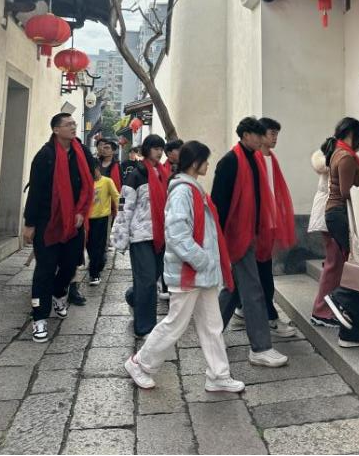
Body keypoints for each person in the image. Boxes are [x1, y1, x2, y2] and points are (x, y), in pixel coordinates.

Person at [125, 141, 245, 394]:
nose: (208, 164)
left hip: (201, 273)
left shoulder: (192, 189)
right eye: (205, 160)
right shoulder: (183, 192)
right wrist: (204, 261)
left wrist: (207, 264)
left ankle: (218, 375)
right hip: (189, 272)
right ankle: (140, 364)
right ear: (195, 162)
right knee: (175, 324)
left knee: (212, 325)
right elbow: (178, 235)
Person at [213, 117, 288, 368]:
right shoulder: (230, 161)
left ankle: (211, 333)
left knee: (234, 289)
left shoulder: (252, 159)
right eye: (258, 135)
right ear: (246, 135)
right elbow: (219, 203)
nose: (262, 139)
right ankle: (260, 348)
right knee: (253, 291)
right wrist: (220, 239)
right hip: (236, 235)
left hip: (250, 233)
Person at [23, 113, 94, 343]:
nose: (73, 127)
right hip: (48, 221)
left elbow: (88, 186)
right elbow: (35, 191)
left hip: (75, 221)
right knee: (45, 269)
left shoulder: (82, 153)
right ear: (56, 130)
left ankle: (59, 292)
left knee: (70, 264)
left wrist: (81, 212)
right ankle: (39, 317)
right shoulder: (45, 156)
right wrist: (30, 223)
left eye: (74, 123)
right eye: (68, 124)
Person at [232, 118, 296, 338]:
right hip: (256, 224)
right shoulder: (254, 158)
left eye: (277, 134)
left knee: (258, 272)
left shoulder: (271, 158)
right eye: (271, 133)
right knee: (260, 274)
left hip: (268, 223)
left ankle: (242, 310)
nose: (274, 138)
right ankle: (269, 317)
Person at [324, 118, 359, 348]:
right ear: (353, 135)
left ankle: (353, 334)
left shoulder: (338, 152)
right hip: (342, 215)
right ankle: (340, 298)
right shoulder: (345, 157)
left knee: (358, 268)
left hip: (338, 214)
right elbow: (347, 192)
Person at [111, 134, 168, 337]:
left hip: (161, 235)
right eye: (155, 148)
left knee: (150, 278)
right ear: (146, 150)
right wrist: (120, 236)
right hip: (141, 235)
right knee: (147, 281)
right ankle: (145, 327)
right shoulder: (136, 175)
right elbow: (124, 206)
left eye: (161, 148)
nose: (159, 152)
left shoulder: (164, 174)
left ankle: (132, 297)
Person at [309, 139, 345, 328]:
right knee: (333, 263)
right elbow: (320, 164)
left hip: (333, 213)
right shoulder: (323, 157)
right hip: (328, 213)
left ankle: (329, 307)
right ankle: (321, 311)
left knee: (336, 263)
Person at [87, 161, 120, 285]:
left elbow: (117, 196)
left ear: (98, 169)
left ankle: (94, 274)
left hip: (102, 218)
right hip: (88, 219)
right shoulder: (87, 182)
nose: (92, 174)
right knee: (89, 245)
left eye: (93, 171)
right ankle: (97, 263)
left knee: (99, 246)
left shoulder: (107, 181)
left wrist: (122, 211)